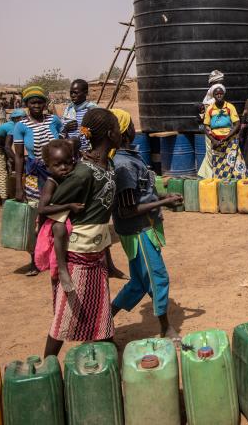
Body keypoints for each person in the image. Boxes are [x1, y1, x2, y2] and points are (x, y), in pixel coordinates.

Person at [43, 109, 121, 357]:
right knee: (66, 314)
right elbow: (53, 210)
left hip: (96, 251)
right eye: (118, 129)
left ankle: (108, 349)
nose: (120, 133)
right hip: (78, 254)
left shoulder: (107, 164)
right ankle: (48, 363)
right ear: (110, 133)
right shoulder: (83, 172)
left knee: (100, 310)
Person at [109, 109, 184, 340]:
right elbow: (127, 209)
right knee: (157, 278)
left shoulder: (130, 157)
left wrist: (162, 198)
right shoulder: (123, 165)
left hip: (143, 227)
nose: (135, 128)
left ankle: (104, 319)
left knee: (140, 283)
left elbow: (141, 194)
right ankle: (165, 327)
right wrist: (163, 201)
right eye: (131, 124)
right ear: (124, 133)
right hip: (138, 230)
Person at [33, 139, 83, 279]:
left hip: (65, 216)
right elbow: (42, 209)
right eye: (57, 165)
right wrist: (68, 206)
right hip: (52, 219)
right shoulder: (51, 183)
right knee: (59, 229)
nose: (63, 168)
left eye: (67, 163)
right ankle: (62, 268)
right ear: (48, 167)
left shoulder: (72, 177)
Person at [12, 85, 65, 206]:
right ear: (26, 104)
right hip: (35, 174)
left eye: (40, 102)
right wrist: (18, 187)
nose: (36, 106)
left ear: (45, 104)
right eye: (33, 102)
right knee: (39, 208)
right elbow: (19, 157)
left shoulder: (54, 120)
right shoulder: (20, 126)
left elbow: (64, 139)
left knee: (59, 207)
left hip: (58, 172)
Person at [203, 82, 248, 179]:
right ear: (213, 95)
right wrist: (213, 140)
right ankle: (221, 182)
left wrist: (227, 137)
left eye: (221, 93)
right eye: (216, 94)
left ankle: (239, 181)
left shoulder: (230, 107)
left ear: (224, 94)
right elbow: (206, 127)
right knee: (219, 164)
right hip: (216, 141)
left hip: (230, 140)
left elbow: (237, 124)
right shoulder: (210, 109)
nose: (219, 95)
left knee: (234, 160)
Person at [61, 79, 99, 153]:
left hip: (88, 152)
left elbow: (98, 132)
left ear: (85, 93)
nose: (72, 96)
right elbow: (62, 131)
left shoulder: (92, 110)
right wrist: (66, 128)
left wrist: (84, 130)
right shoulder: (68, 110)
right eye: (71, 93)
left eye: (75, 93)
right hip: (70, 152)